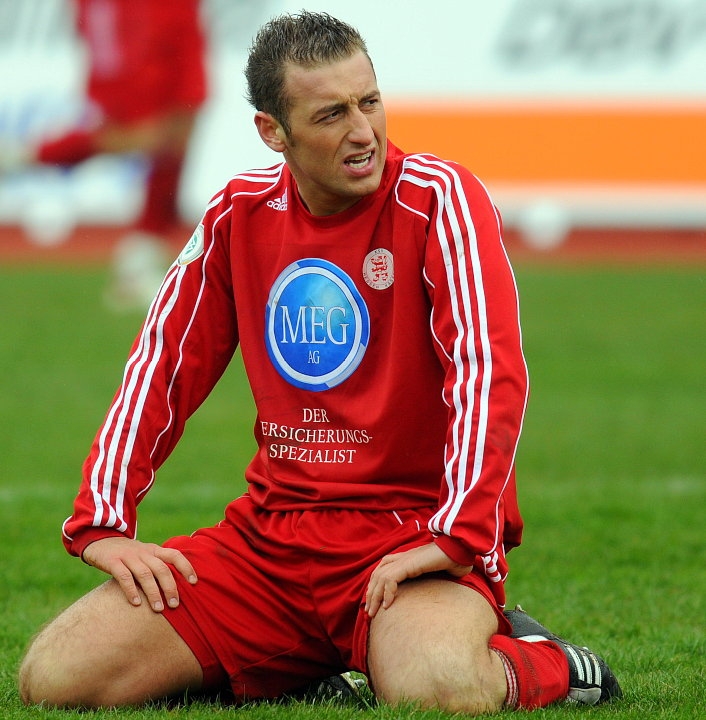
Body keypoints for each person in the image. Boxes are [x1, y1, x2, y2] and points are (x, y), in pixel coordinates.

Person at [18, 11, 622, 714]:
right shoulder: (237, 214)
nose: (363, 131)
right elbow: (162, 366)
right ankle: (296, 665)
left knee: (437, 688)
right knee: (55, 677)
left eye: (370, 102)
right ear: (273, 131)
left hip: (411, 537)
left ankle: (551, 661)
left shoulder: (439, 199)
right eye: (332, 114)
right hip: (269, 544)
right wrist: (103, 521)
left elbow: (486, 374)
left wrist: (459, 535)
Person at [5, 0, 208, 309]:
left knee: (179, 127)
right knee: (148, 135)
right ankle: (22, 157)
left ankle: (141, 255)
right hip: (142, 28)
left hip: (176, 21)